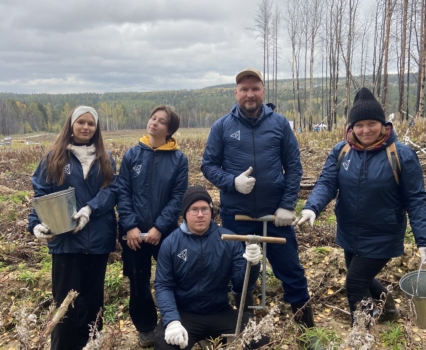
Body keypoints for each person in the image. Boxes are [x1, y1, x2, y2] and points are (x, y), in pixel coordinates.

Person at [296, 87, 426, 325]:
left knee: (355, 283)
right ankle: (389, 309)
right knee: (362, 278)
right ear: (351, 127)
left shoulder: (400, 155)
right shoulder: (341, 151)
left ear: (383, 124)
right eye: (358, 125)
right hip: (349, 231)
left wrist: (425, 240)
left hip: (382, 234)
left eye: (371, 123)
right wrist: (312, 208)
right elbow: (327, 182)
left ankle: (361, 333)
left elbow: (415, 199)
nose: (365, 130)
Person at [201, 68, 315, 329]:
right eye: (244, 89)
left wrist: (287, 205)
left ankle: (306, 328)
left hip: (275, 215)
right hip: (236, 216)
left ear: (263, 91)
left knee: (291, 270)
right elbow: (208, 165)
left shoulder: (279, 124)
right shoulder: (222, 127)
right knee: (241, 271)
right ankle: (245, 323)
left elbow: (294, 167)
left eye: (255, 89)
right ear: (236, 93)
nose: (249, 94)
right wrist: (233, 183)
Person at [27, 106, 118, 350]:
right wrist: (36, 224)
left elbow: (112, 191)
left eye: (91, 123)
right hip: (66, 243)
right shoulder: (53, 157)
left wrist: (89, 209)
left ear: (96, 128)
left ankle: (91, 344)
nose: (86, 127)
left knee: (93, 301)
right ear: (71, 124)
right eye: (81, 122)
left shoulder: (106, 158)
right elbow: (41, 194)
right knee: (65, 304)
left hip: (98, 241)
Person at [153, 185, 269, 350]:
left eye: (204, 209)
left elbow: (240, 284)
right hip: (185, 313)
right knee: (165, 344)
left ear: (211, 212)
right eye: (194, 209)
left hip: (219, 310)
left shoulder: (229, 239)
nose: (200, 214)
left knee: (260, 338)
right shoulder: (171, 243)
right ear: (185, 213)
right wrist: (172, 320)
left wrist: (253, 264)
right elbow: (163, 285)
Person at [117, 105, 188, 347]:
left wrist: (160, 227)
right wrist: (129, 226)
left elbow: (178, 198)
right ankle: (146, 327)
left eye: (161, 121)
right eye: (153, 118)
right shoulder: (132, 155)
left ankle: (174, 320)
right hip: (133, 234)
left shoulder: (179, 159)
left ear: (170, 130)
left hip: (165, 232)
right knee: (138, 281)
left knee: (171, 278)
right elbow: (122, 192)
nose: (154, 123)